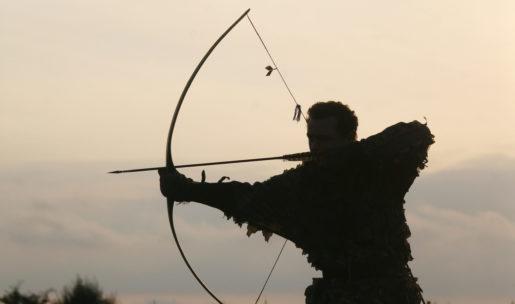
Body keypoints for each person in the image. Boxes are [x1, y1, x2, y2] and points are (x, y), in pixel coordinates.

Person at [159, 101, 434, 304]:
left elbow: (417, 135)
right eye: (311, 139)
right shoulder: (304, 184)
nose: (315, 147)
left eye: (324, 140)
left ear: (349, 139)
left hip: (390, 292)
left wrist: (353, 157)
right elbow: (245, 197)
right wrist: (186, 189)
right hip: (336, 294)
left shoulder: (378, 172)